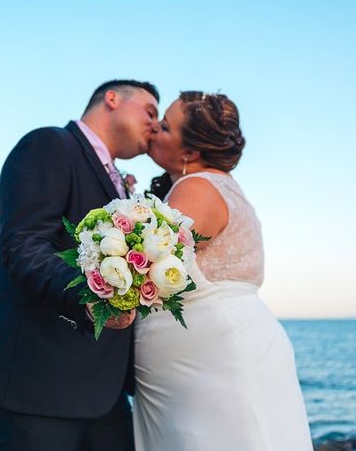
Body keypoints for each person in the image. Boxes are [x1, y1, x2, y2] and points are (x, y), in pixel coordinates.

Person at [0, 80, 159, 450]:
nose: (155, 126)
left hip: (103, 391)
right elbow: (24, 243)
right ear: (112, 99)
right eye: (150, 111)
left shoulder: (119, 183)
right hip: (34, 384)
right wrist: (90, 298)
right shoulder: (48, 144)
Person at [133, 91, 313, 450]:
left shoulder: (196, 188)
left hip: (212, 366)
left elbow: (148, 259)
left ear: (189, 152)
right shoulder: (220, 186)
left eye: (165, 126)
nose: (154, 129)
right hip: (213, 358)